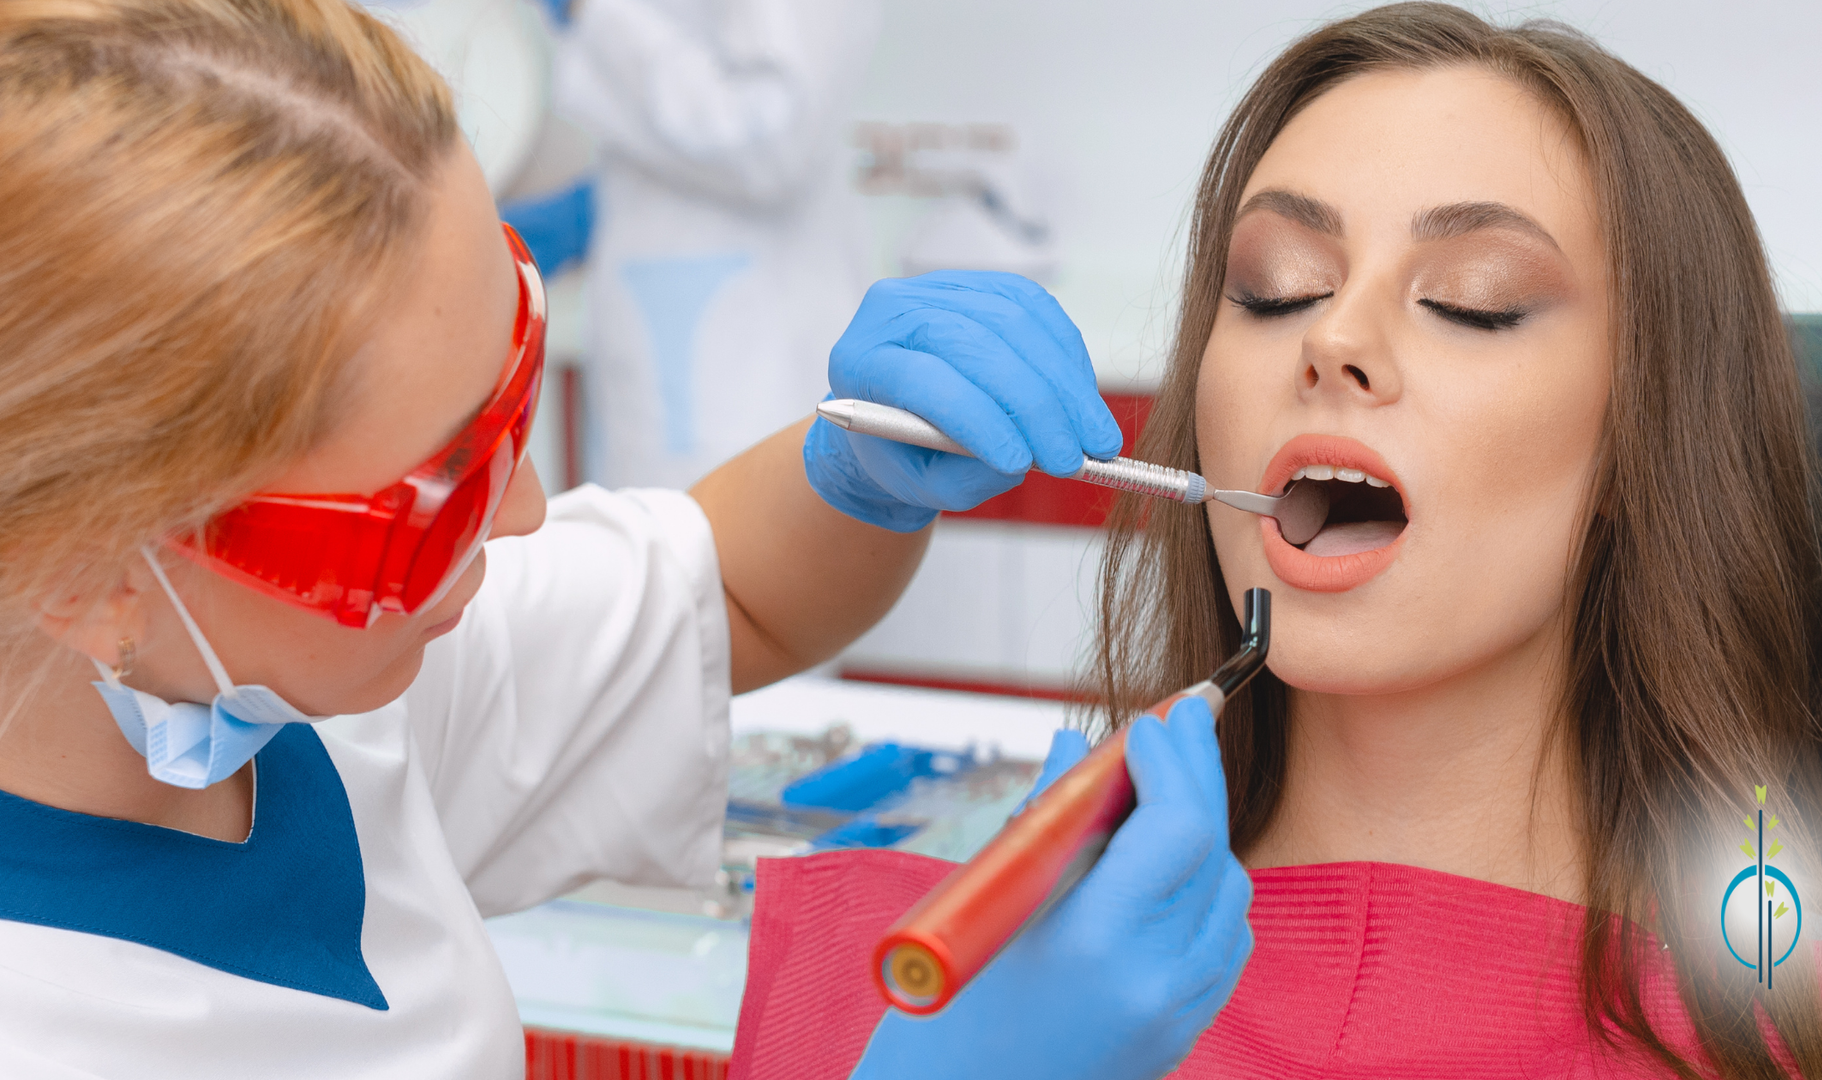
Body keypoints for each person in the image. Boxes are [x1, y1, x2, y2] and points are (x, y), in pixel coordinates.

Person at [0, 1, 1252, 1076]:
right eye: (432, 497)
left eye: (516, 376)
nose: (532, 506)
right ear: (86, 570)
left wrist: (861, 475)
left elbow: (732, 596)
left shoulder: (315, 689)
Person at [724, 5, 1822, 1079]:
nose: (1333, 338)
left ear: (1641, 443)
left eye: (1474, 301)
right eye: (1274, 287)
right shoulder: (912, 986)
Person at [551, 0, 880, 490]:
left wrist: (597, 14)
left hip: (739, 355)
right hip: (685, 316)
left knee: (729, 544)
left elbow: (772, 134)